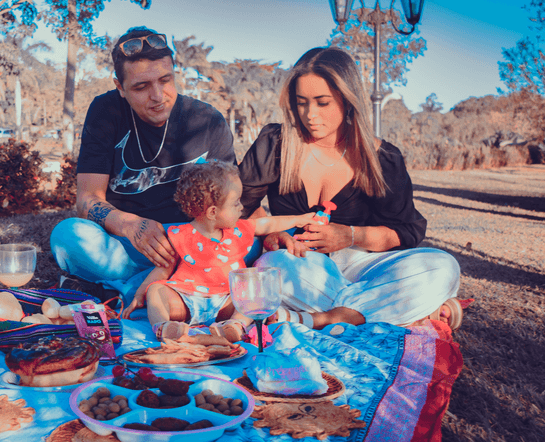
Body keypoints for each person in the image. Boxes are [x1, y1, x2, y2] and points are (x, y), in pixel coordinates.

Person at [238, 47, 464, 330]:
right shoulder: (276, 143)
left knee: (443, 266)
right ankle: (401, 311)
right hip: (302, 264)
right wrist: (273, 231)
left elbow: (406, 232)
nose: (310, 115)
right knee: (271, 266)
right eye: (301, 103)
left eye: (323, 103)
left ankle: (329, 317)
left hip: (363, 263)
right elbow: (239, 203)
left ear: (347, 100)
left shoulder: (383, 159)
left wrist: (351, 235)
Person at [50, 27, 236, 304]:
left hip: (192, 246)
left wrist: (191, 242)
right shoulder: (105, 111)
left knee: (251, 245)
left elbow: (229, 204)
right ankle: (172, 290)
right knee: (67, 236)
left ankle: (119, 291)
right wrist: (130, 225)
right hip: (127, 243)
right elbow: (87, 200)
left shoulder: (208, 121)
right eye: (141, 87)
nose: (158, 96)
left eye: (165, 80)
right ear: (120, 87)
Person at [123, 161, 315, 342]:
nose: (241, 207)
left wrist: (298, 219)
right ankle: (165, 327)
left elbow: (267, 223)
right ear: (213, 212)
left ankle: (235, 325)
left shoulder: (238, 230)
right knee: (156, 290)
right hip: (186, 301)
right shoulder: (180, 235)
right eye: (236, 202)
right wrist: (141, 294)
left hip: (227, 301)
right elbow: (162, 270)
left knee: (254, 290)